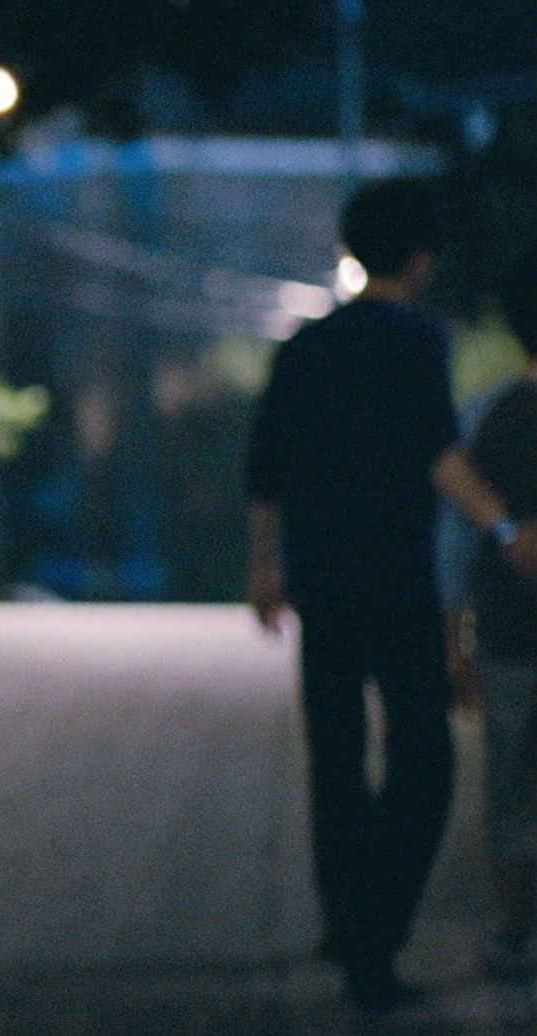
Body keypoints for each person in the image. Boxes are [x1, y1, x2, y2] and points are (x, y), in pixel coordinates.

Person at [246, 179, 537, 1011]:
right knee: (424, 761)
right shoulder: (417, 342)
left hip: (322, 581)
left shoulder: (303, 348)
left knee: (335, 755)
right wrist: (506, 528)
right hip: (397, 582)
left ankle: (345, 919)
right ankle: (374, 937)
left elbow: (265, 468)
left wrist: (264, 568)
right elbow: (440, 457)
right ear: (420, 258)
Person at [435, 244, 537, 980]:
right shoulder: (488, 412)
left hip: (507, 631)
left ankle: (515, 930)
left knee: (510, 783)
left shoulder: (485, 412)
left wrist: (452, 641)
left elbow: (452, 542)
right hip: (511, 633)